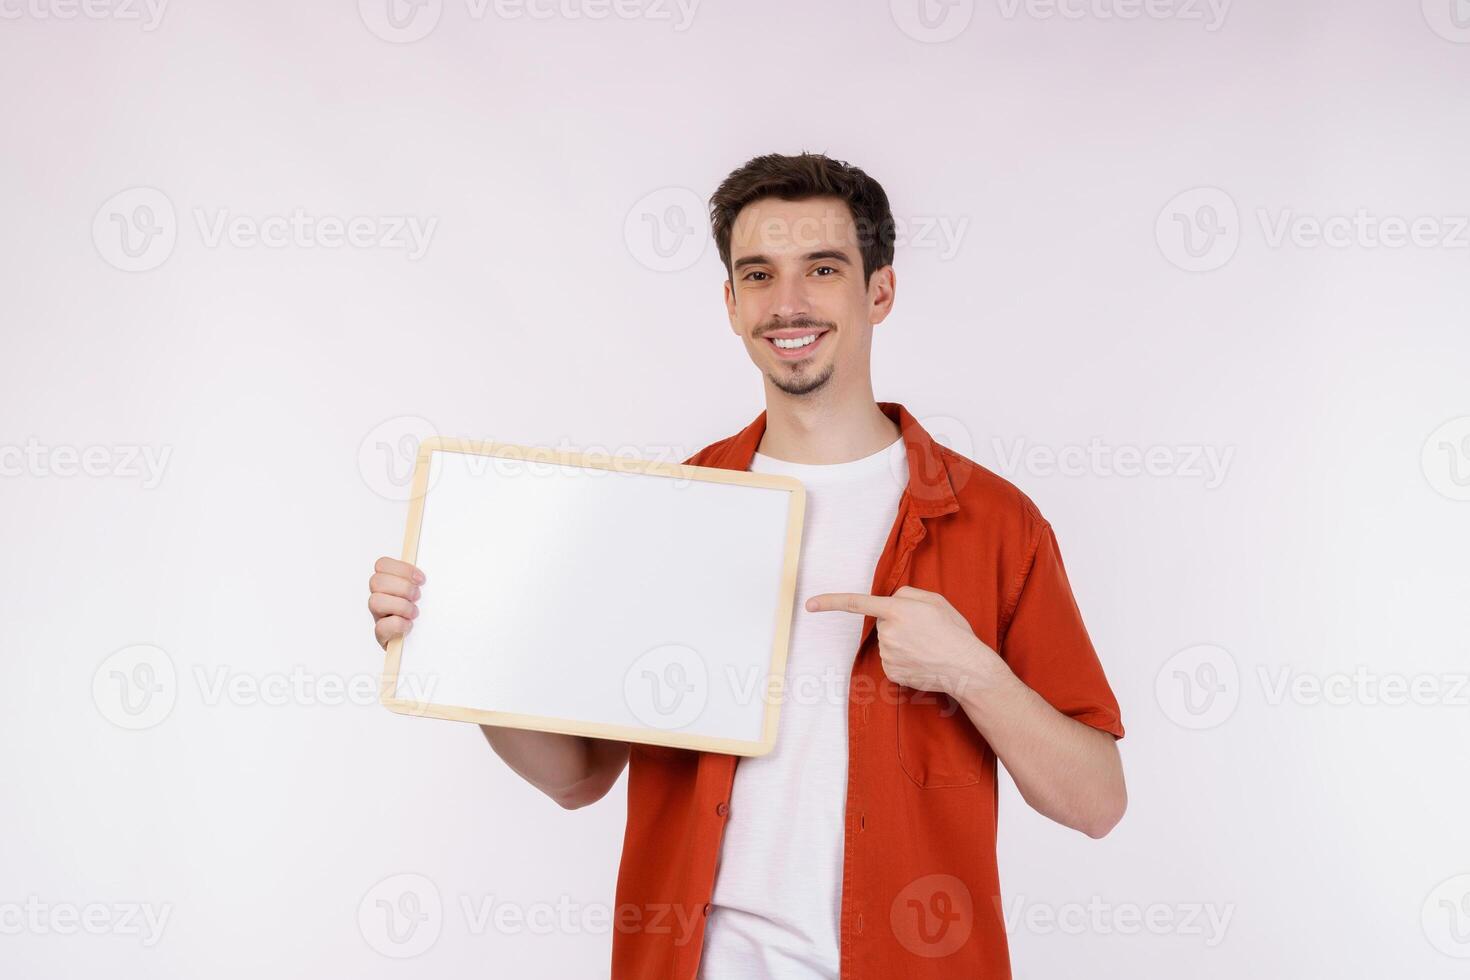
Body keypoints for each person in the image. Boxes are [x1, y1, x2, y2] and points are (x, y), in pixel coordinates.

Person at [367, 151, 1126, 979]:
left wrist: (971, 672)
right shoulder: (669, 511)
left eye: (823, 269)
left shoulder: (994, 523)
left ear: (880, 291)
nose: (788, 303)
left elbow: (1096, 802)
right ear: (730, 304)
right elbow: (578, 777)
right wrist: (463, 646)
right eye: (758, 275)